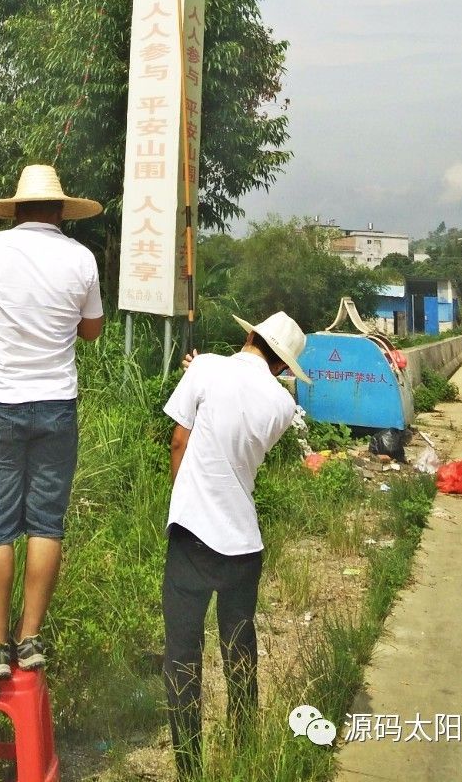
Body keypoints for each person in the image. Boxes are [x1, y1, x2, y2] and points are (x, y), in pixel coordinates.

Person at [0, 163, 105, 679]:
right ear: (62, 211)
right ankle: (31, 637)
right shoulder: (82, 259)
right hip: (56, 404)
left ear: (15, 209)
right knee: (46, 521)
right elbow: (91, 331)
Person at [161, 310, 310, 776]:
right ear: (284, 366)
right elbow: (238, 418)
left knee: (183, 654)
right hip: (243, 544)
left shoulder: (206, 368)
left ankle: (190, 766)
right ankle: (244, 750)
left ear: (249, 334)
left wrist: (181, 501)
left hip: (192, 536)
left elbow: (179, 442)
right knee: (240, 651)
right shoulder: (284, 406)